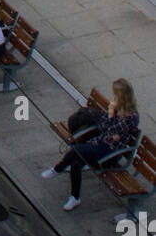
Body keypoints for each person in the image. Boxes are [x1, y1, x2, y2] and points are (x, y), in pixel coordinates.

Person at [43, 79, 139, 211]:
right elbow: (102, 125)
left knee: (76, 150)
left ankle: (58, 169)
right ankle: (75, 198)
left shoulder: (131, 116)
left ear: (123, 95)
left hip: (109, 152)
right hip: (100, 143)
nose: (114, 97)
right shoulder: (117, 107)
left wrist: (110, 115)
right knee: (76, 164)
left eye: (116, 94)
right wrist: (110, 119)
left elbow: (110, 129)